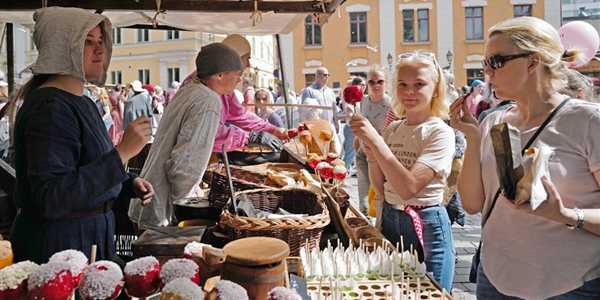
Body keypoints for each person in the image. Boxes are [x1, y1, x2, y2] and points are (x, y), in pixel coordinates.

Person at [450, 17, 600, 299]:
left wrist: (567, 215)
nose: (487, 72)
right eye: (485, 63)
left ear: (533, 62)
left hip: (570, 286)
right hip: (495, 279)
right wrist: (471, 136)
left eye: (496, 61)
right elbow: (472, 205)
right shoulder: (493, 120)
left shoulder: (588, 121)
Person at [7, 7, 154, 264]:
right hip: (61, 248)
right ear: (62, 46)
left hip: (89, 238)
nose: (100, 50)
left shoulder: (83, 102)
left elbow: (85, 167)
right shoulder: (50, 107)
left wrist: (128, 182)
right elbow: (53, 197)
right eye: (87, 42)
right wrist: (122, 153)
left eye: (100, 41)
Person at [349, 50, 455, 291]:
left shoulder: (439, 132)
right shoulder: (394, 129)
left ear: (435, 89)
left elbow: (409, 188)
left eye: (419, 84)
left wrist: (376, 142)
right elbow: (381, 189)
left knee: (429, 293)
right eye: (403, 84)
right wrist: (374, 158)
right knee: (393, 292)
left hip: (426, 223)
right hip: (390, 218)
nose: (409, 91)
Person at [128, 43, 246, 229]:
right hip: (164, 211)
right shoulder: (208, 100)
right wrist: (188, 207)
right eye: (237, 74)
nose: (239, 79)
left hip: (150, 198)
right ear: (220, 75)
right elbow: (185, 165)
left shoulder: (190, 90)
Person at [180, 34, 287, 152]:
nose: (248, 65)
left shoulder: (222, 85)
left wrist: (271, 129)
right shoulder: (206, 91)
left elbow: (240, 114)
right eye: (247, 59)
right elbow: (210, 134)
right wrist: (252, 137)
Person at [354, 66, 393, 216]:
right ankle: (365, 234)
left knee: (378, 198)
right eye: (372, 82)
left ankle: (378, 232)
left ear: (386, 83)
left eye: (380, 81)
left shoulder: (391, 105)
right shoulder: (364, 101)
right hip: (363, 153)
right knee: (363, 201)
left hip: (381, 157)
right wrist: (357, 141)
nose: (376, 85)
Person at [301, 67, 339, 133]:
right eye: (325, 75)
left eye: (328, 75)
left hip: (330, 126)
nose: (327, 77)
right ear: (317, 76)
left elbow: (334, 109)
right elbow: (304, 111)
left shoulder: (330, 91)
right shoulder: (308, 91)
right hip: (316, 128)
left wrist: (336, 124)